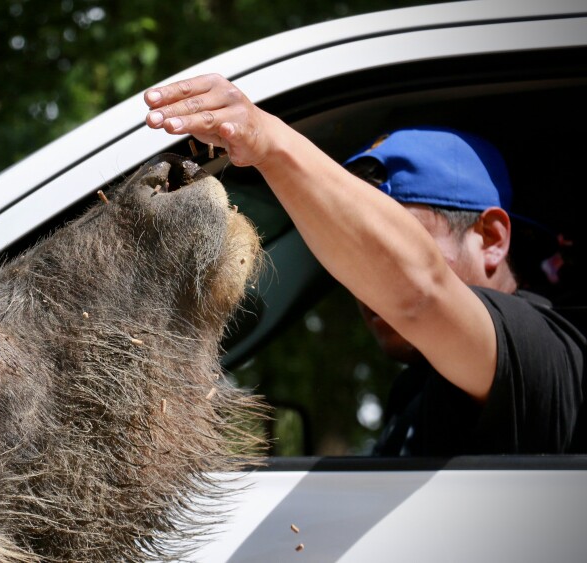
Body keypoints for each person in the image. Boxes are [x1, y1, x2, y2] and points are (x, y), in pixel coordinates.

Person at [143, 73, 586, 456]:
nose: (366, 286)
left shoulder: (547, 357)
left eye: (404, 241)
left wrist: (267, 141)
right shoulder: (416, 388)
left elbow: (420, 296)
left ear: (490, 239)